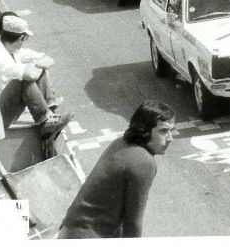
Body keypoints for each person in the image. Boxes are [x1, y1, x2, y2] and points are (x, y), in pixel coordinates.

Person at [58, 101, 175, 239]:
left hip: (70, 231)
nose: (170, 138)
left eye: (171, 131)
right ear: (145, 131)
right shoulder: (144, 162)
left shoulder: (121, 142)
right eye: (163, 131)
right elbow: (133, 223)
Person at [0, 12, 72, 142]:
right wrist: (36, 65)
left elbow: (47, 59)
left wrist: (37, 64)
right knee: (23, 79)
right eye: (25, 39)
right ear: (21, 38)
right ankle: (45, 122)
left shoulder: (10, 49)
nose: (24, 43)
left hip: (4, 106)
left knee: (37, 69)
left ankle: (51, 111)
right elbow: (29, 74)